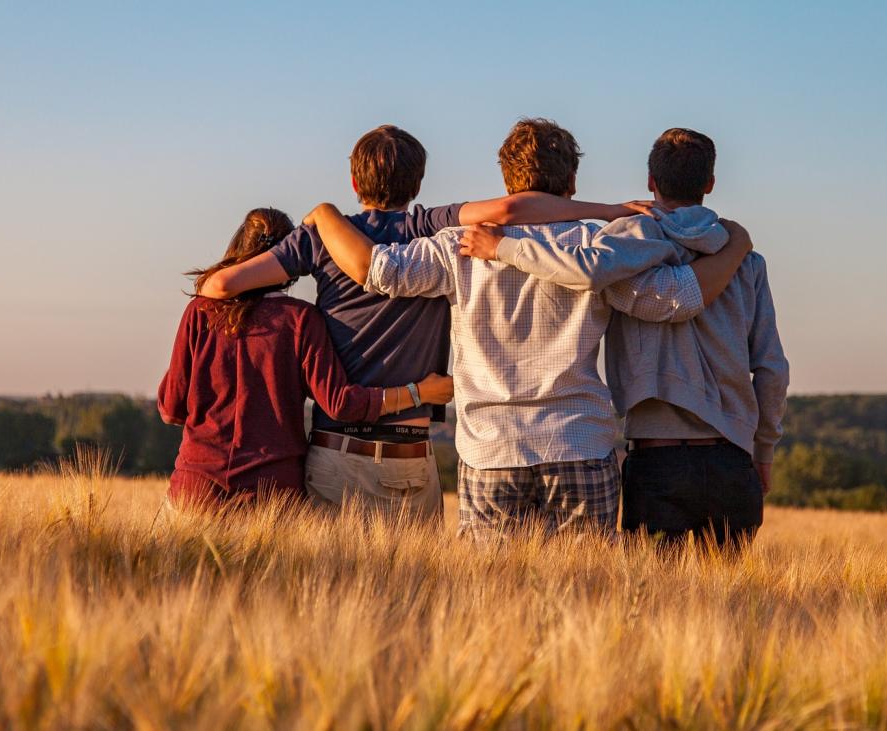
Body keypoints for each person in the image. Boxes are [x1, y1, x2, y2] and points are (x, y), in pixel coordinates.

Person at [304, 119, 752, 539]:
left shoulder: (457, 246)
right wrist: (735, 247)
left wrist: (325, 215)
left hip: (490, 450)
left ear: (506, 182)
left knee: (492, 600)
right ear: (572, 184)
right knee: (586, 597)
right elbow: (674, 300)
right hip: (579, 443)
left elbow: (378, 271)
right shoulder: (598, 247)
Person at [194, 124, 655, 519]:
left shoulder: (323, 237)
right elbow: (513, 210)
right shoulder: (429, 227)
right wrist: (609, 211)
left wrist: (320, 220)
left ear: (354, 181)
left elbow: (219, 288)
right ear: (417, 184)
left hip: (338, 451)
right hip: (414, 455)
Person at [461, 128, 789, 550]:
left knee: (650, 605)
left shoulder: (624, 245)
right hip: (733, 458)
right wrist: (763, 451)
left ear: (651, 181)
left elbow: (586, 270)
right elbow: (771, 368)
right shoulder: (746, 261)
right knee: (731, 608)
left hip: (657, 459)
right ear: (709, 184)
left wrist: (503, 248)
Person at [157, 207, 454, 510]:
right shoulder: (301, 320)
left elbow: (171, 409)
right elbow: (340, 403)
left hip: (196, 489)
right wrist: (419, 393)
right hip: (272, 495)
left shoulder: (200, 312)